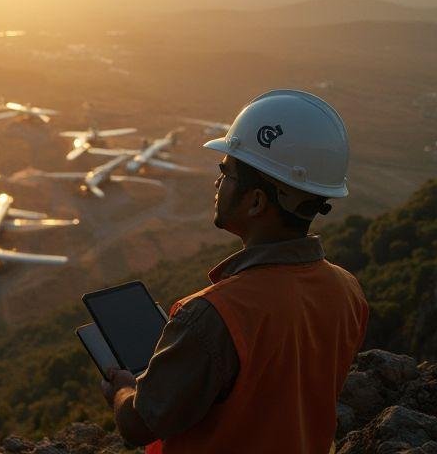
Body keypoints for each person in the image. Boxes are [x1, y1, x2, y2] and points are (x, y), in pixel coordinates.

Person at [100, 90, 369, 453]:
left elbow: (138, 425)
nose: (216, 183)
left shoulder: (213, 315)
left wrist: (121, 388)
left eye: (225, 171)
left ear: (256, 201)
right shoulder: (347, 290)